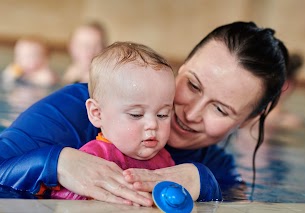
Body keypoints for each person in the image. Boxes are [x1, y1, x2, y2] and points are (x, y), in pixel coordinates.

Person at [0, 21, 288, 206]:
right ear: (182, 66)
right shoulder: (76, 109)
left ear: (246, 121)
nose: (190, 113)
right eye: (193, 85)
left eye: (220, 109)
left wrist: (203, 183)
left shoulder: (214, 168)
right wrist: (56, 162)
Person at [51, 41, 176, 200]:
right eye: (136, 114)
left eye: (163, 114)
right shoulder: (92, 158)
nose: (153, 124)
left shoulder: (165, 160)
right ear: (97, 114)